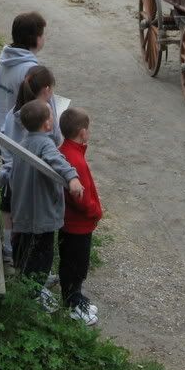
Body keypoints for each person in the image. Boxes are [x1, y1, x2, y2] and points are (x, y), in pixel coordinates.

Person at [9, 99, 84, 311]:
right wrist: (72, 178)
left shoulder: (23, 142)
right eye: (51, 115)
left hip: (24, 209)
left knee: (26, 249)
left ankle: (28, 279)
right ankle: (34, 292)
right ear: (47, 125)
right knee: (42, 254)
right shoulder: (44, 143)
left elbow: (11, 165)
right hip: (40, 212)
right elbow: (57, 160)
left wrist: (3, 176)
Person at [0, 12, 47, 262]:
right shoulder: (30, 70)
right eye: (42, 33)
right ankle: (18, 252)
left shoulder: (4, 60)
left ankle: (7, 245)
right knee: (21, 198)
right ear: (34, 38)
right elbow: (37, 108)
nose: (44, 38)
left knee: (9, 194)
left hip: (2, 133)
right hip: (22, 139)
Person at [58, 107, 102, 326]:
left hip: (69, 222)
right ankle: (73, 302)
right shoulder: (77, 160)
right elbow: (82, 198)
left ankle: (75, 295)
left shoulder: (64, 151)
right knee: (77, 264)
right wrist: (95, 211)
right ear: (83, 132)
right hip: (78, 225)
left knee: (70, 261)